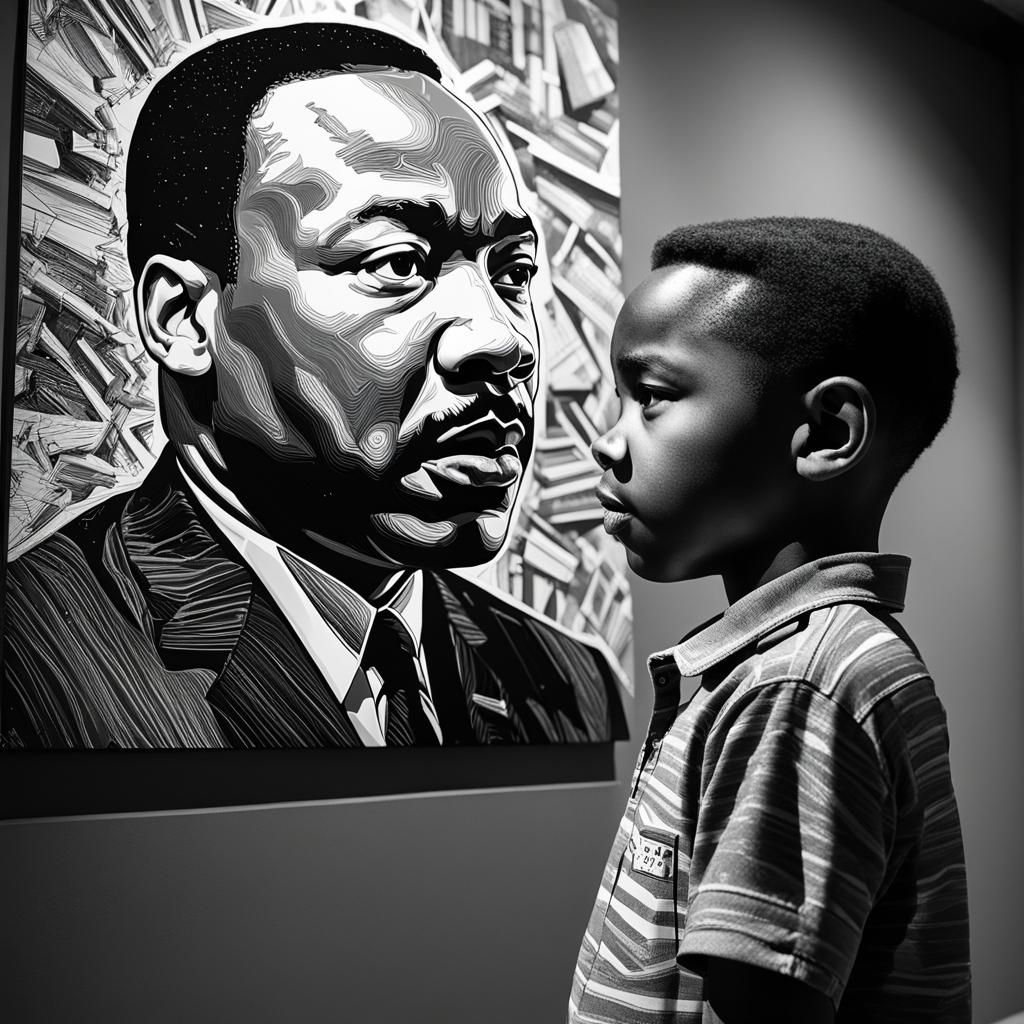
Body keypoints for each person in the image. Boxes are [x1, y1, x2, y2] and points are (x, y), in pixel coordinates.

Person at [2, 21, 627, 750]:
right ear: (183, 318)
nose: (504, 339)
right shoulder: (34, 669)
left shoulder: (571, 687)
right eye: (396, 264)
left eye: (512, 274)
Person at [571, 218, 970, 1023]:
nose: (605, 446)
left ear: (826, 433)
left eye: (650, 397)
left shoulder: (798, 684)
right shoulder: (781, 665)